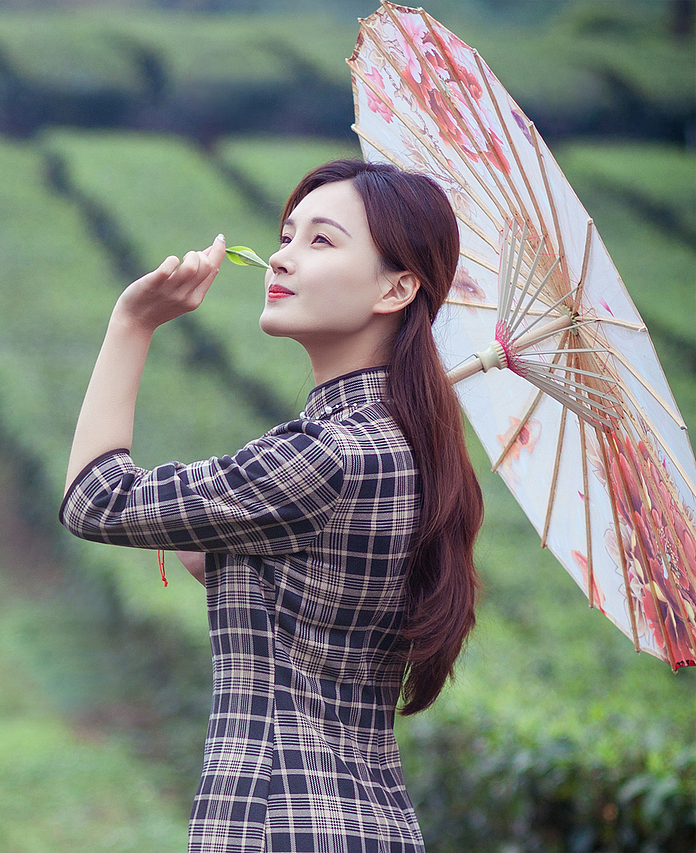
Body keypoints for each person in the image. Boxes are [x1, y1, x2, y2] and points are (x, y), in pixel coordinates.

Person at [59, 159, 483, 851]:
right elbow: (284, 596)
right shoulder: (401, 447)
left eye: (321, 240)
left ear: (397, 287)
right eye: (287, 235)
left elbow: (94, 498)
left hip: (277, 818)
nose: (282, 257)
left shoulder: (327, 453)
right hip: (364, 823)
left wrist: (133, 321)